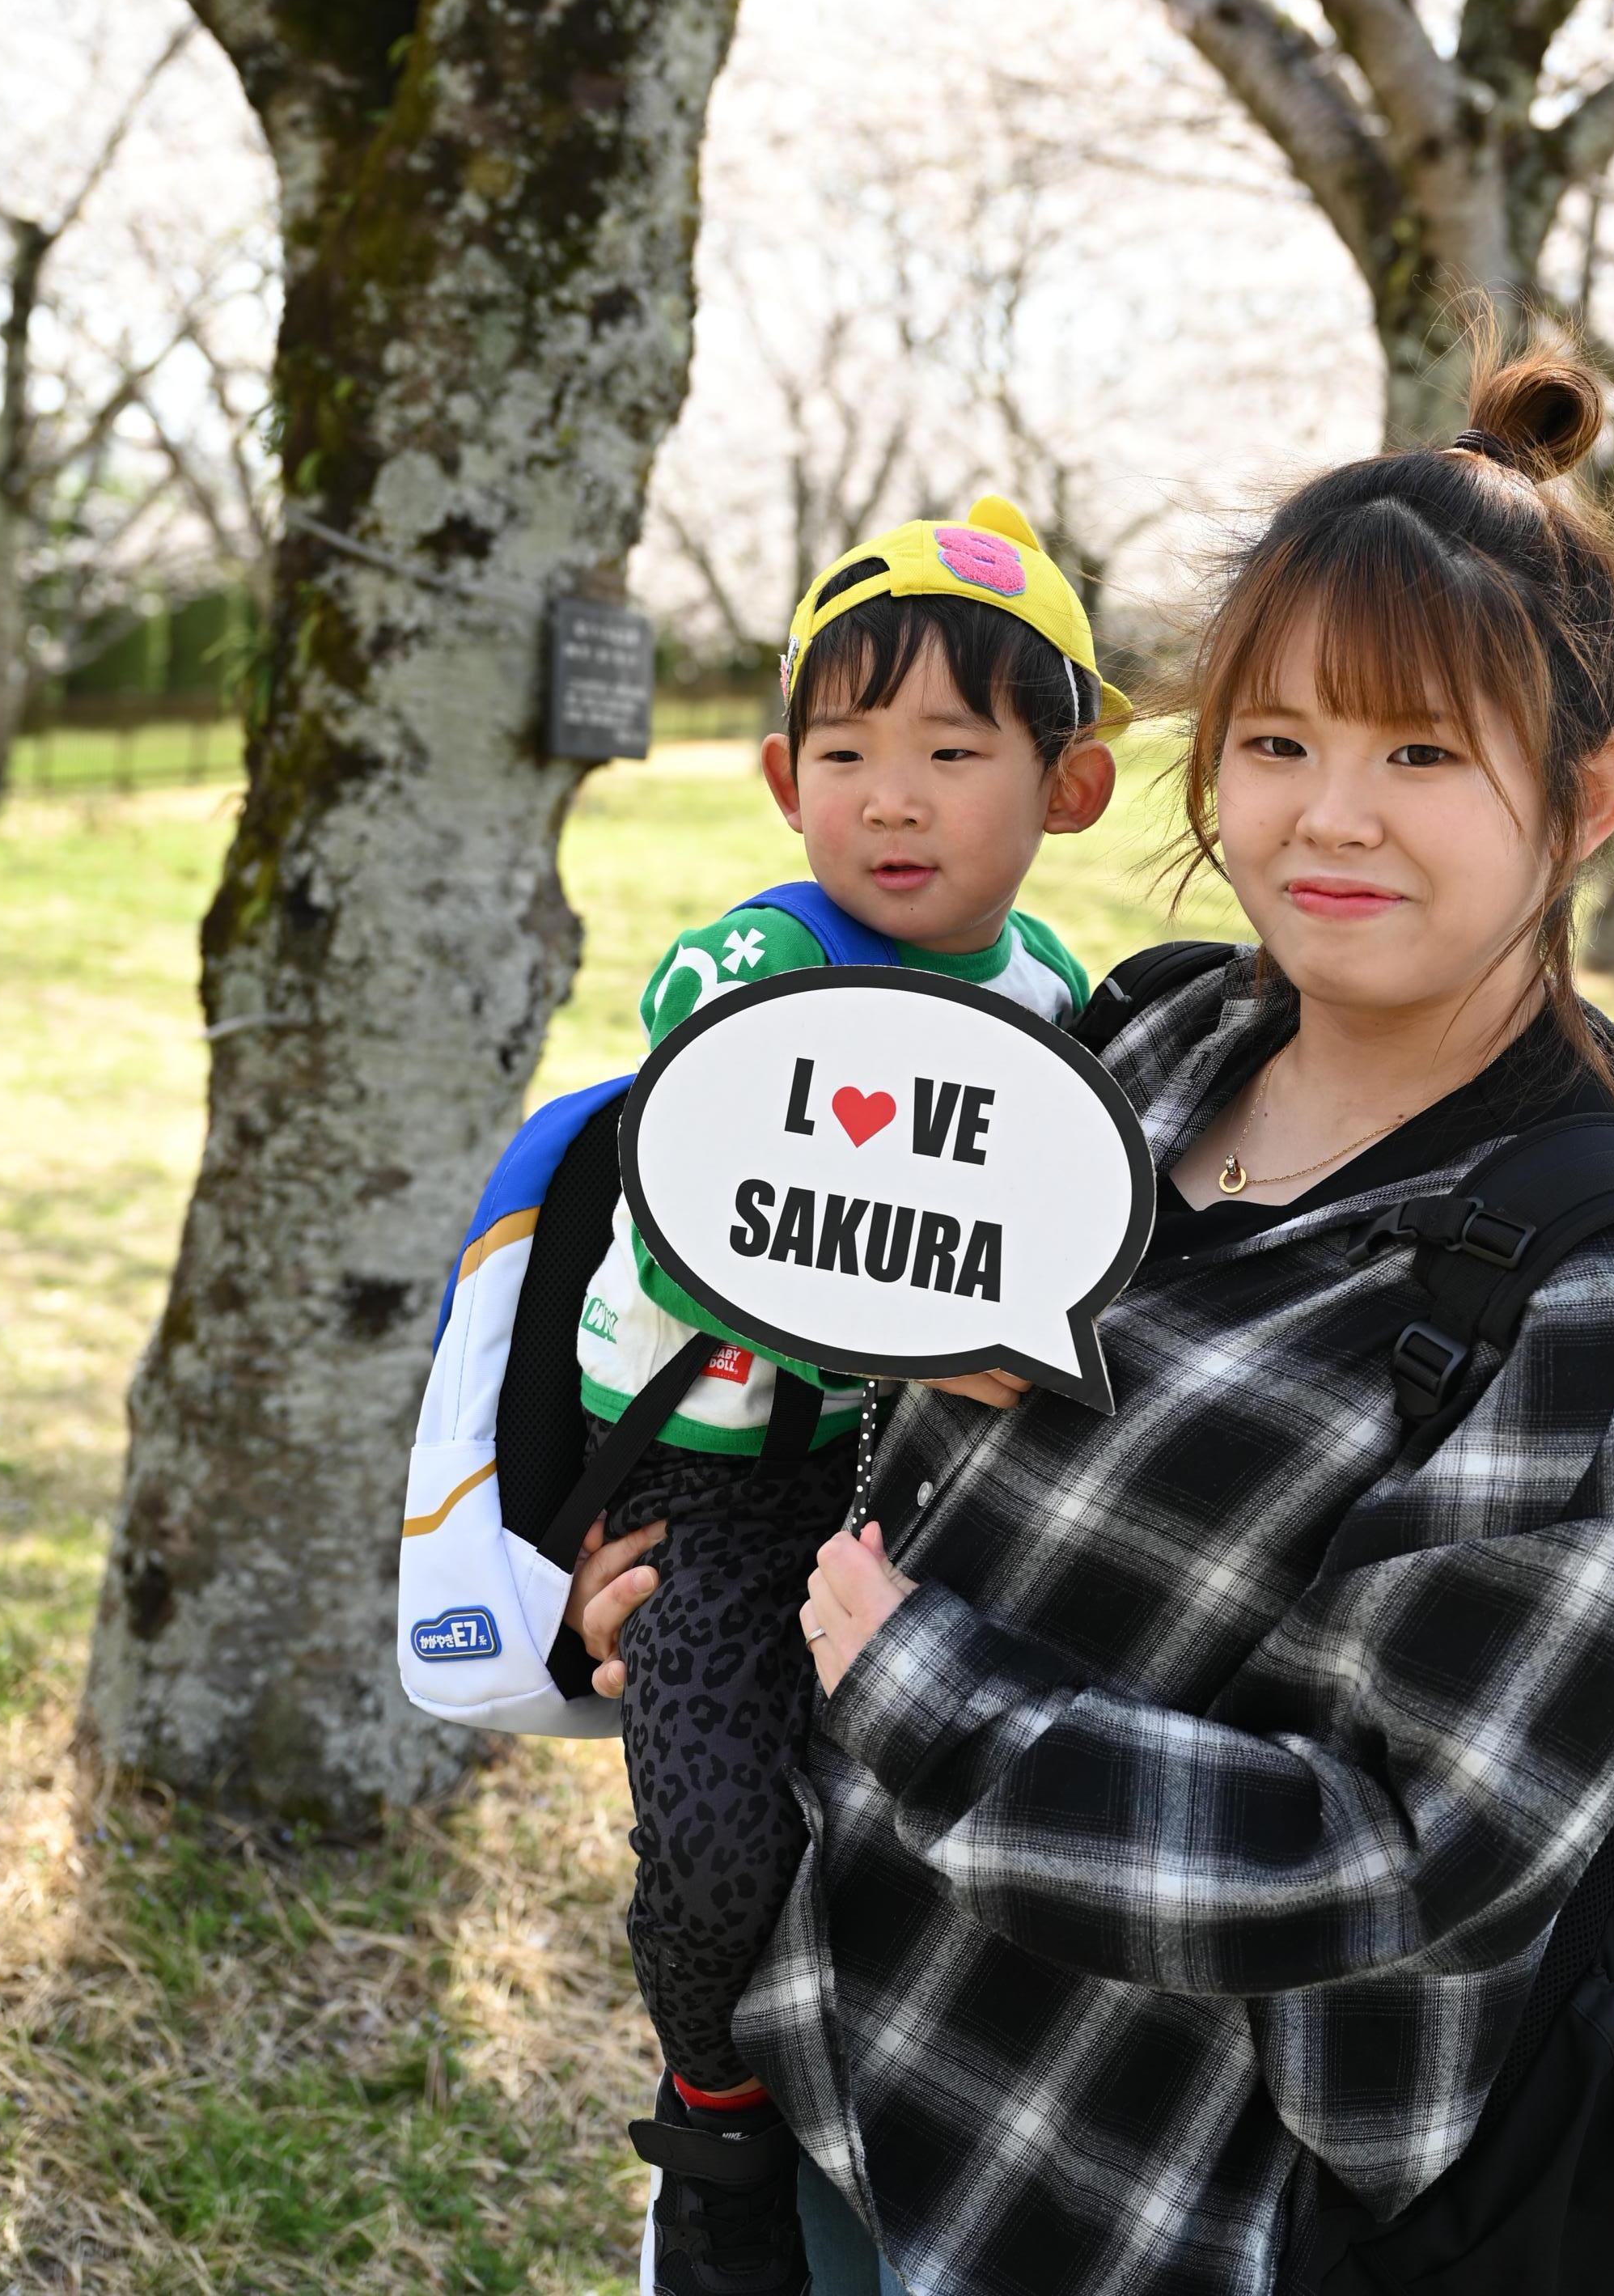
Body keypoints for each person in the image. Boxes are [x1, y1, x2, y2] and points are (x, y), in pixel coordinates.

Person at [718, 349, 1614, 2296]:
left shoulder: (1595, 1290)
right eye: (1274, 741)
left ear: (1592, 793)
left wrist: (927, 1700)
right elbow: (903, 1466)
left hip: (1111, 2198)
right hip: (804, 2049)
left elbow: (1415, 1856)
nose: (1328, 819)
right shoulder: (1140, 1046)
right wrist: (713, 1575)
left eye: (1422, 755)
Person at [564, 495, 1124, 2296]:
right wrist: (895, 1340)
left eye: (955, 753)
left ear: (1070, 789)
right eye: (847, 751)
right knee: (719, 1834)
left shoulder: (1055, 1001)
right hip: (718, 1474)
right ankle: (710, 2110)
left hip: (921, 1469)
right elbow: (692, 1232)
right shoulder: (750, 976)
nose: (894, 798)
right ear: (779, 778)